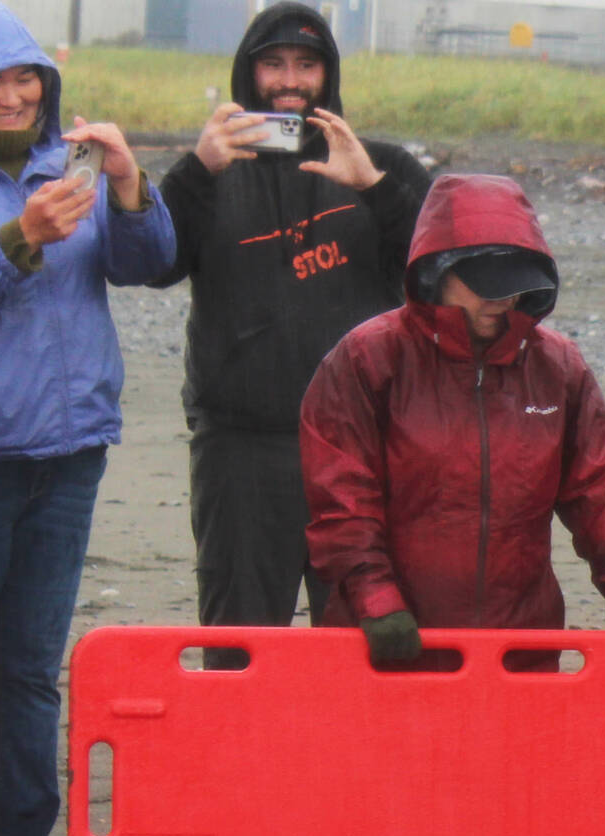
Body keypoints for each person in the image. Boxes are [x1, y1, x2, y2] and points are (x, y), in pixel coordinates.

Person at [300, 174, 605, 667]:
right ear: (436, 271)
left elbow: (600, 489)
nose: (502, 300)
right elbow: (342, 498)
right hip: (394, 642)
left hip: (519, 647)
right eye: (484, 286)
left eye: (515, 285)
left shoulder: (557, 366)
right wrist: (377, 602)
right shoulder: (368, 359)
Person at [0, 0, 175, 836]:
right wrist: (18, 242)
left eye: (27, 80)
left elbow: (148, 264)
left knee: (30, 669)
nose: (14, 96)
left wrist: (132, 186)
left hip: (70, 454)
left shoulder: (74, 167)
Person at [155, 2, 431, 643]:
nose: (289, 81)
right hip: (240, 446)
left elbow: (441, 275)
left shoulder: (379, 163)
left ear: (328, 77)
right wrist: (196, 171)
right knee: (241, 648)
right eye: (273, 64)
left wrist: (374, 187)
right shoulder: (212, 172)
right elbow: (154, 263)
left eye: (306, 65)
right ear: (246, 75)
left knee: (365, 650)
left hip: (365, 446)